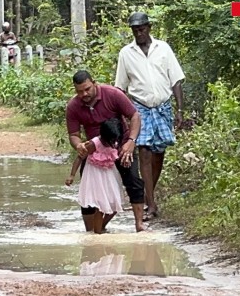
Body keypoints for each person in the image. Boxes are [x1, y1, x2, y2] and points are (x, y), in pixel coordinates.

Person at [115, 12, 185, 221]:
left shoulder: (163, 48)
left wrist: (180, 110)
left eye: (142, 29)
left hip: (162, 105)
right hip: (140, 107)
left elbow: (176, 80)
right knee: (144, 150)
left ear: (149, 27)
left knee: (159, 152)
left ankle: (147, 195)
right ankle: (151, 204)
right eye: (135, 30)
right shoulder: (126, 53)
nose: (139, 33)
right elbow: (120, 87)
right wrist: (125, 116)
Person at [65, 70, 147, 232]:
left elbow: (135, 116)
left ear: (94, 83)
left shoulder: (113, 94)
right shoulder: (73, 106)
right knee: (89, 191)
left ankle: (139, 224)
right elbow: (73, 135)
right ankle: (91, 230)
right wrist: (79, 145)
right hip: (94, 152)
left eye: (87, 89)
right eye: (79, 91)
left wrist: (131, 142)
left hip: (121, 145)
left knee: (133, 180)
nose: (84, 94)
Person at [65, 118, 126, 234]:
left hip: (109, 174)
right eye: (112, 140)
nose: (114, 142)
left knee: (115, 203)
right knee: (100, 205)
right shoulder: (94, 144)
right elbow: (79, 158)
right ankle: (98, 234)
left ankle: (99, 227)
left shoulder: (114, 141)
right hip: (94, 175)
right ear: (104, 136)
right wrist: (72, 175)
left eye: (116, 139)